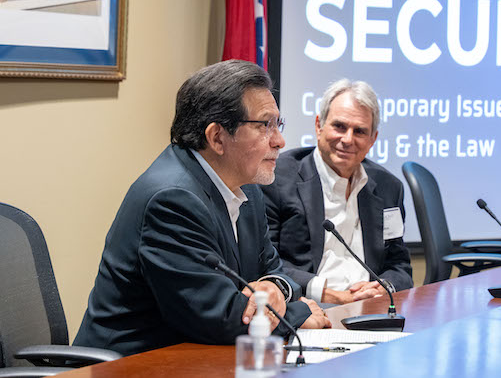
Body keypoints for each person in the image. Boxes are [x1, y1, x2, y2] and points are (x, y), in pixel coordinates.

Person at [75, 60, 329, 355]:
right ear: (217, 137)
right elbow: (219, 318)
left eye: (278, 124)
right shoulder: (171, 200)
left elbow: (275, 270)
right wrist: (300, 312)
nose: (279, 141)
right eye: (265, 125)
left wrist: (276, 288)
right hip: (127, 366)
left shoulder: (247, 186)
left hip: (194, 359)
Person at [263, 80, 413, 305]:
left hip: (371, 308)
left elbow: (399, 266)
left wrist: (384, 287)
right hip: (307, 307)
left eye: (360, 131)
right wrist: (327, 293)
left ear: (373, 139)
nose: (348, 139)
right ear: (318, 126)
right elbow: (265, 262)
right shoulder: (277, 178)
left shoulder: (388, 188)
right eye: (339, 127)